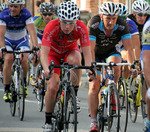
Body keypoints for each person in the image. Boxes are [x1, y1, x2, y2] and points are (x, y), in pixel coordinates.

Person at [40, 1, 94, 131]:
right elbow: (44, 52)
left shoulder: (81, 27)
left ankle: (73, 93)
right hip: (53, 54)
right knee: (52, 86)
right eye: (64, 22)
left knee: (76, 59)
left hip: (70, 51)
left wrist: (90, 70)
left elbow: (87, 52)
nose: (67, 27)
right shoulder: (51, 26)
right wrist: (46, 69)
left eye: (71, 23)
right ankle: (48, 121)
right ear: (59, 19)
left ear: (76, 21)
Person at [87, 2, 135, 132]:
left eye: (114, 18)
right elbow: (90, 49)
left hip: (111, 51)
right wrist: (91, 67)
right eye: (108, 18)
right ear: (102, 16)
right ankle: (93, 121)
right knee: (95, 84)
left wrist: (132, 66)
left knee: (116, 66)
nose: (111, 22)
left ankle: (112, 88)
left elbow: (129, 48)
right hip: (94, 53)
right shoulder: (94, 23)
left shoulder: (121, 24)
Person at [0, 0, 38, 101]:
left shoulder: (26, 14)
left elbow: (32, 32)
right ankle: (7, 89)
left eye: (15, 7)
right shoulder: (4, 14)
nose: (12, 9)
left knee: (24, 59)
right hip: (8, 41)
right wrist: (2, 48)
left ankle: (24, 84)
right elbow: (1, 34)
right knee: (8, 58)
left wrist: (35, 46)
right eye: (11, 6)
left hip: (21, 40)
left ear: (21, 7)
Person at [30, 2, 57, 86]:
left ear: (53, 14)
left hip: (50, 39)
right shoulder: (36, 21)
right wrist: (33, 48)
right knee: (37, 54)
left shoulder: (57, 20)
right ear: (41, 14)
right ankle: (33, 74)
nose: (47, 17)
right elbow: (32, 36)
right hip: (39, 38)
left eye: (49, 14)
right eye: (45, 14)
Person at [117, 3, 141, 80]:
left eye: (123, 18)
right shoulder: (109, 22)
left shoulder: (130, 24)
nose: (121, 21)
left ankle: (125, 84)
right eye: (118, 18)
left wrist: (137, 62)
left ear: (126, 17)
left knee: (127, 56)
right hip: (110, 46)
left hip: (123, 47)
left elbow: (136, 46)